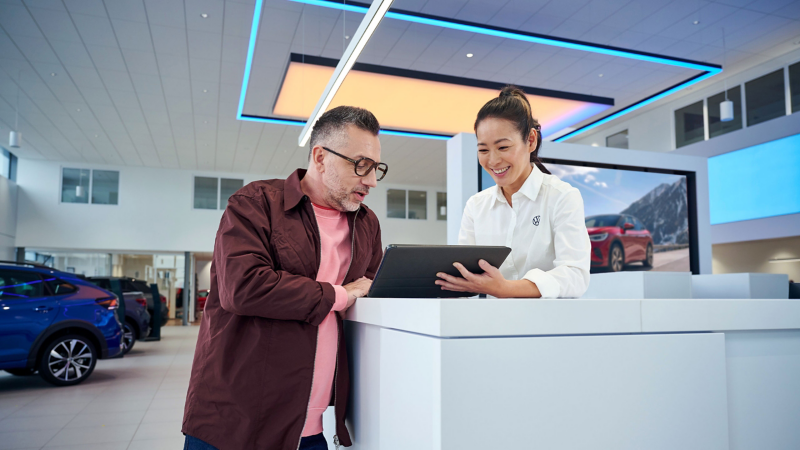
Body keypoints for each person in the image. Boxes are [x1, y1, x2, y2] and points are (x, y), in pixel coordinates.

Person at [182, 106, 387, 450]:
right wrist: (340, 294)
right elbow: (243, 287)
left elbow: (374, 294)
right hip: (235, 422)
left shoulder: (366, 224)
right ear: (320, 157)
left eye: (376, 167)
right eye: (360, 164)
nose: (371, 180)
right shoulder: (255, 203)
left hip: (311, 427)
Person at [436, 86, 590, 298]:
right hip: (489, 326)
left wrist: (505, 289)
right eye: (483, 150)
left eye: (503, 147)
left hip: (548, 326)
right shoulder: (476, 206)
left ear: (531, 141)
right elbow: (465, 278)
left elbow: (575, 276)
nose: (492, 160)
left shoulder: (561, 197)